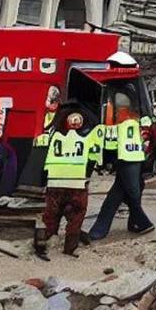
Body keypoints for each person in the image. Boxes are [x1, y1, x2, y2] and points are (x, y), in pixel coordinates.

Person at [36, 109, 103, 259]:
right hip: (76, 183)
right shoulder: (88, 138)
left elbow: (42, 156)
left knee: (51, 215)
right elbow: (94, 158)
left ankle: (42, 243)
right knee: (76, 216)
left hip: (55, 182)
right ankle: (69, 248)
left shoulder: (54, 136)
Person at [87, 94, 154, 242]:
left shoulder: (117, 120)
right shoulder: (138, 118)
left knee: (121, 194)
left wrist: (105, 161)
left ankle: (102, 229)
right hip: (135, 158)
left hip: (125, 158)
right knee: (130, 192)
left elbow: (110, 141)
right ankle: (140, 223)